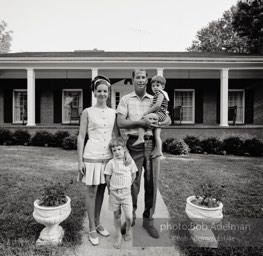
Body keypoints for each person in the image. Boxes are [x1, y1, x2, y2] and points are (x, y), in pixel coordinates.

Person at [117, 69, 171, 239]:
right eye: (137, 77)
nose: (141, 79)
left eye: (143, 77)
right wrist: (141, 121)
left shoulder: (155, 97)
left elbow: (168, 119)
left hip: (152, 144)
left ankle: (148, 221)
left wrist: (159, 121)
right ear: (133, 79)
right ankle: (131, 217)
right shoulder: (125, 99)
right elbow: (120, 122)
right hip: (134, 143)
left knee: (151, 183)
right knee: (132, 182)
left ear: (147, 80)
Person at [77, 75, 119, 246]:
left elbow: (115, 136)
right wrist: (79, 161)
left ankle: (99, 222)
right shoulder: (87, 112)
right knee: (92, 192)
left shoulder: (113, 113)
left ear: (108, 93)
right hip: (91, 156)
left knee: (102, 191)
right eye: (99, 90)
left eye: (105, 91)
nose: (102, 93)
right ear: (94, 92)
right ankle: (91, 228)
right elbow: (81, 136)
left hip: (107, 157)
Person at [104, 137, 138, 249]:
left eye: (119, 149)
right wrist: (109, 189)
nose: (117, 152)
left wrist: (128, 184)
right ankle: (118, 235)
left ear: (124, 149)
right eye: (114, 150)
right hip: (114, 193)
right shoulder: (111, 163)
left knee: (129, 216)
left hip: (126, 194)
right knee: (117, 215)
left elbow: (134, 174)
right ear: (112, 152)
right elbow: (108, 177)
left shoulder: (129, 161)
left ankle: (128, 229)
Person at [132, 75, 169, 159]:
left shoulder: (160, 94)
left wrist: (147, 112)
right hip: (159, 115)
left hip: (159, 113)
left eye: (157, 85)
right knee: (157, 135)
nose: (155, 87)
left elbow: (157, 105)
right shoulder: (158, 94)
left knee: (144, 118)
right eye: (153, 86)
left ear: (163, 86)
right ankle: (159, 151)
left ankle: (141, 137)